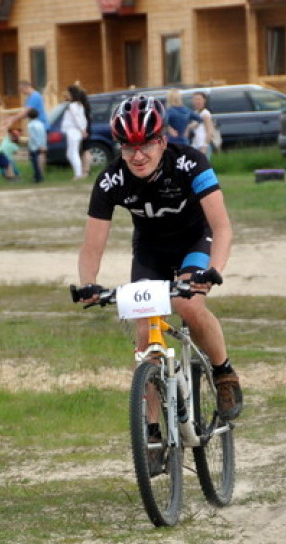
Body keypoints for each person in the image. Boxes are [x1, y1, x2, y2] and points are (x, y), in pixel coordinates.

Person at [74, 95, 243, 421]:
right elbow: (92, 246)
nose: (137, 156)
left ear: (163, 141)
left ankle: (223, 372)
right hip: (151, 249)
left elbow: (222, 227)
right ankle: (151, 433)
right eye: (127, 147)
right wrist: (89, 284)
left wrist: (213, 270)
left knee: (188, 304)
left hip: (195, 239)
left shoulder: (191, 162)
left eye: (145, 146)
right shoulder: (111, 180)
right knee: (143, 328)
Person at [62, 84, 89, 180]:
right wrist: (84, 129)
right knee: (70, 153)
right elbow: (83, 119)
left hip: (73, 131)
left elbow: (77, 118)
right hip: (76, 131)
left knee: (73, 153)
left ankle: (78, 174)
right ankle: (79, 171)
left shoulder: (73, 106)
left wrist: (82, 129)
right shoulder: (79, 105)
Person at [189, 91, 216, 158]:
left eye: (199, 99)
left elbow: (209, 131)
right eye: (195, 100)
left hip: (202, 146)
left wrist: (205, 146)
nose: (197, 102)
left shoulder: (205, 113)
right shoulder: (194, 113)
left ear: (204, 101)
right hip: (194, 145)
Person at [25, 106, 47, 183]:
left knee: (34, 163)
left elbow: (33, 136)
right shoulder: (40, 124)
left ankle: (38, 178)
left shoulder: (30, 125)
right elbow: (43, 135)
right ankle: (40, 176)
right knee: (39, 161)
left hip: (34, 146)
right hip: (42, 145)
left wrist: (38, 145)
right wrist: (43, 145)